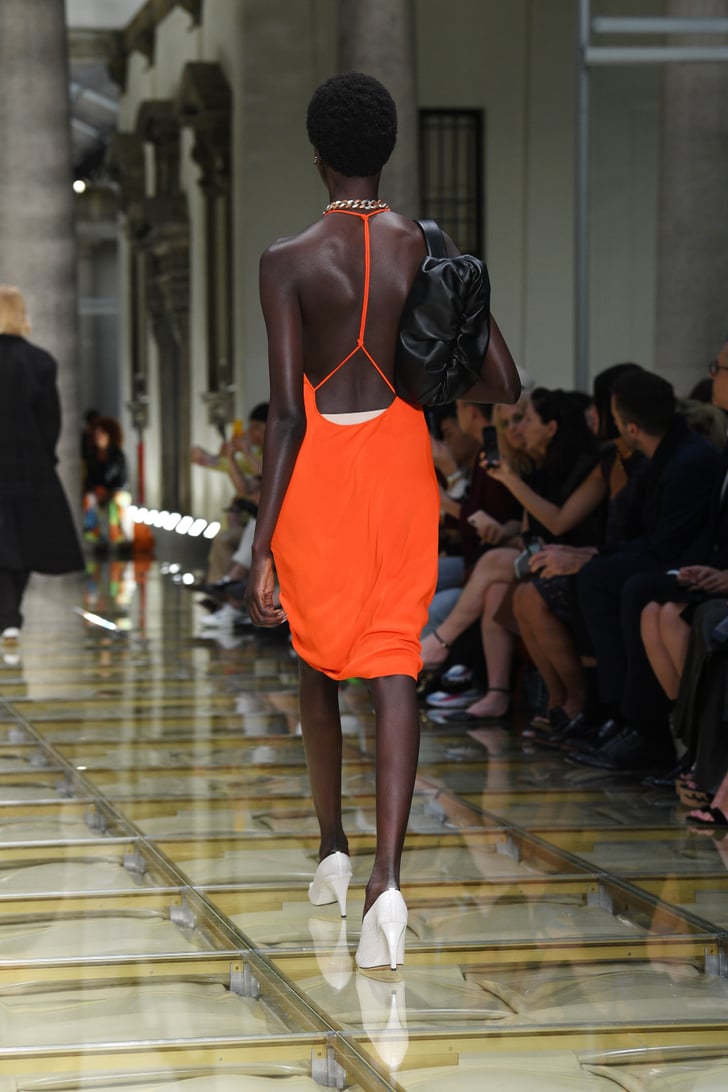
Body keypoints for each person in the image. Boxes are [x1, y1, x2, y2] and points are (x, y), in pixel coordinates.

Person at [245, 72, 520, 970]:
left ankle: (332, 847)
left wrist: (262, 547)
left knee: (320, 659)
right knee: (394, 659)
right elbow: (502, 382)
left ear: (319, 152)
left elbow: (284, 415)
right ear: (387, 151)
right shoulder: (424, 245)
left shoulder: (288, 259)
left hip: (319, 471)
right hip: (401, 465)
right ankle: (387, 887)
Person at [420, 387, 604, 719]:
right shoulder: (535, 465)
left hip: (577, 560)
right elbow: (522, 530)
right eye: (510, 422)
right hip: (525, 556)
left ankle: (440, 646)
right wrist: (505, 531)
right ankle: (516, 696)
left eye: (525, 420)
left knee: (486, 574)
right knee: (494, 592)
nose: (515, 430)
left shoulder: (587, 468)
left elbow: (558, 523)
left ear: (551, 428)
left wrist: (499, 481)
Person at [571, 369, 722, 772]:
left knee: (629, 586)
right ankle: (614, 713)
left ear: (630, 426)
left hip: (689, 561)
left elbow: (667, 543)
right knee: (598, 576)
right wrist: (593, 554)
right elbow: (633, 530)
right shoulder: (656, 457)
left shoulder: (689, 459)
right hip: (674, 556)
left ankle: (642, 726)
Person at [0, 285, 84, 643]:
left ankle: (7, 616)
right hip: (27, 465)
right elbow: (50, 420)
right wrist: (43, 457)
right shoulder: (39, 361)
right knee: (23, 544)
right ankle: (10, 616)